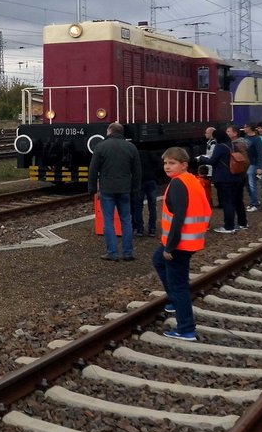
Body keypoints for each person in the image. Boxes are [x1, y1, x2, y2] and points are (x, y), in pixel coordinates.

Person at [153, 146, 211, 342]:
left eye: (172, 163)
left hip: (179, 243)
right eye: (165, 163)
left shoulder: (178, 184)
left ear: (184, 164)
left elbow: (179, 218)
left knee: (179, 285)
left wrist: (170, 247)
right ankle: (174, 301)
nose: (167, 167)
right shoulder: (190, 180)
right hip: (187, 240)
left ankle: (186, 329)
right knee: (158, 260)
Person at [87, 121, 141, 262]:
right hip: (125, 189)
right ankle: (128, 253)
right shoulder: (131, 147)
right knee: (126, 220)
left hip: (107, 189)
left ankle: (112, 252)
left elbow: (93, 170)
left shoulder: (101, 147)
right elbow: (137, 171)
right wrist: (135, 189)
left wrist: (92, 188)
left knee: (109, 220)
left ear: (110, 131)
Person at [198, 128, 241, 234]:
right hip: (235, 175)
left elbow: (212, 161)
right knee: (232, 201)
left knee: (227, 202)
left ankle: (228, 226)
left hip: (224, 177)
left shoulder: (220, 146)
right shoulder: (231, 144)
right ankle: (234, 224)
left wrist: (201, 158)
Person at [132, 148, 162, 238]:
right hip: (151, 180)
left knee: (138, 206)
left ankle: (140, 229)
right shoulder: (148, 153)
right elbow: (157, 162)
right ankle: (152, 229)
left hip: (140, 182)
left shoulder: (134, 156)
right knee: (152, 206)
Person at [243, 123, 262, 210]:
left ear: (250, 128)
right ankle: (254, 201)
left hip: (253, 164)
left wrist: (259, 167)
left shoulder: (257, 139)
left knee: (252, 184)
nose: (244, 128)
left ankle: (254, 203)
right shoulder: (246, 137)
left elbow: (259, 153)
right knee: (248, 184)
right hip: (247, 164)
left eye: (245, 127)